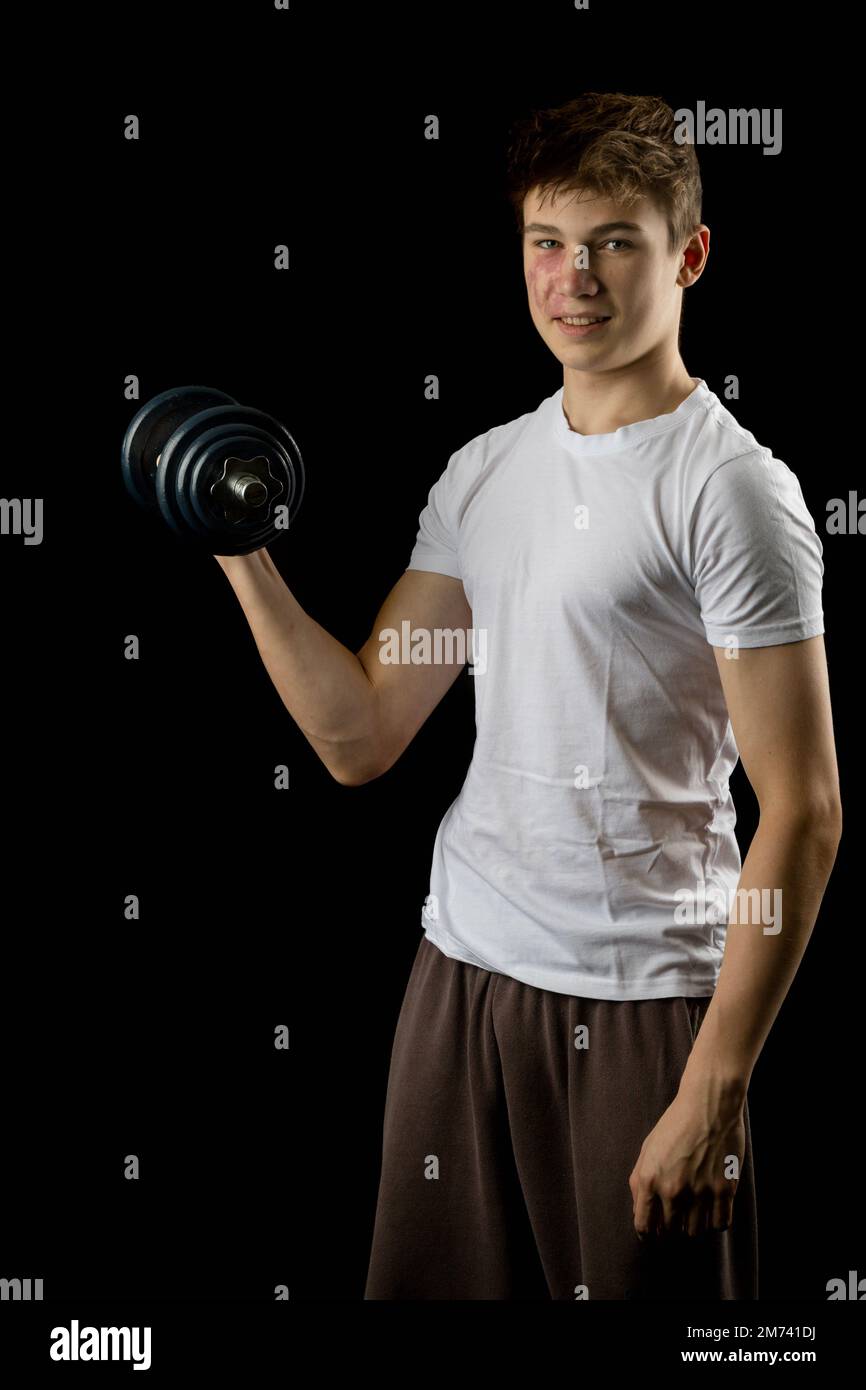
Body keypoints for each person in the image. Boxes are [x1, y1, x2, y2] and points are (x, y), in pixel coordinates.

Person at [215, 92, 842, 1300]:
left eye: (614, 241)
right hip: (460, 980)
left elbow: (804, 811)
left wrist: (714, 1084)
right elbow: (359, 733)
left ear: (688, 255)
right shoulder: (484, 470)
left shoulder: (731, 491)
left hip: (643, 1004)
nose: (573, 278)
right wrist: (239, 547)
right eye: (545, 243)